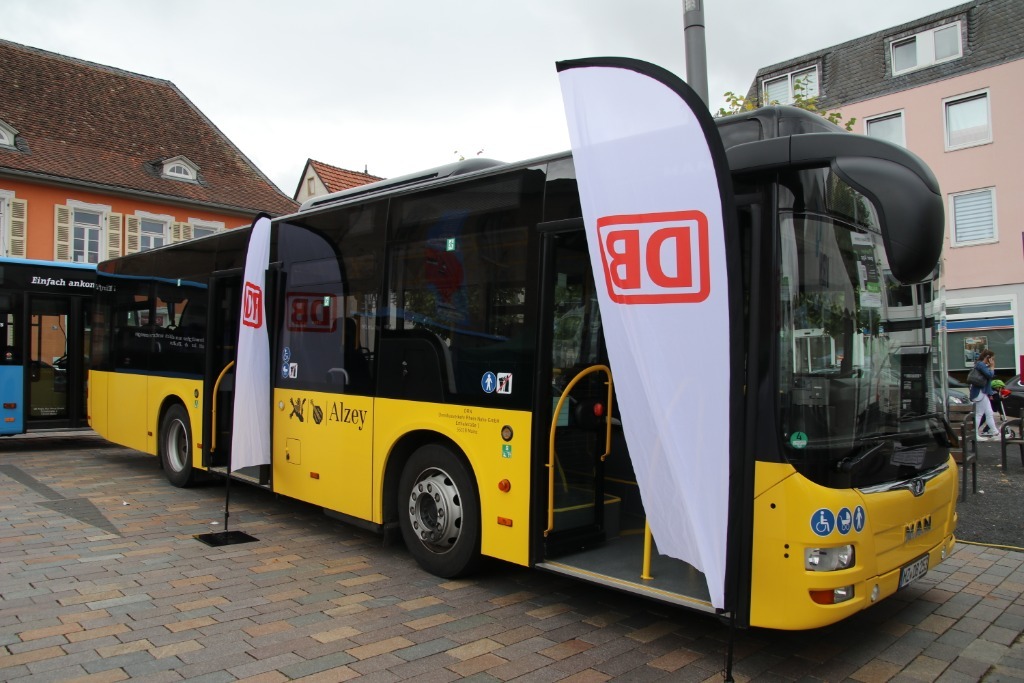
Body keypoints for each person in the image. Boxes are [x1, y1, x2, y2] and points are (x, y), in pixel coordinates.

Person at [970, 349, 999, 440]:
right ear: (987, 357)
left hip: (982, 393)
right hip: (980, 393)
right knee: (979, 414)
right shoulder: (981, 365)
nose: (993, 360)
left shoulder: (981, 365)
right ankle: (975, 435)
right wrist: (992, 366)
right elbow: (990, 375)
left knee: (989, 413)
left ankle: (995, 433)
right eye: (992, 358)